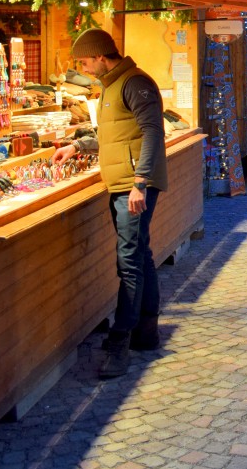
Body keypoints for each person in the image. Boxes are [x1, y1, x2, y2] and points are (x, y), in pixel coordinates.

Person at [52, 28, 168, 379]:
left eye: (86, 61)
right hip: (122, 183)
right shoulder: (110, 87)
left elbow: (152, 132)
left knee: (129, 262)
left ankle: (121, 342)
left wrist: (139, 183)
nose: (84, 68)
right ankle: (146, 332)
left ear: (102, 55)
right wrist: (78, 146)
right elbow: (113, 134)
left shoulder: (134, 83)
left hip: (133, 186)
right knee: (140, 256)